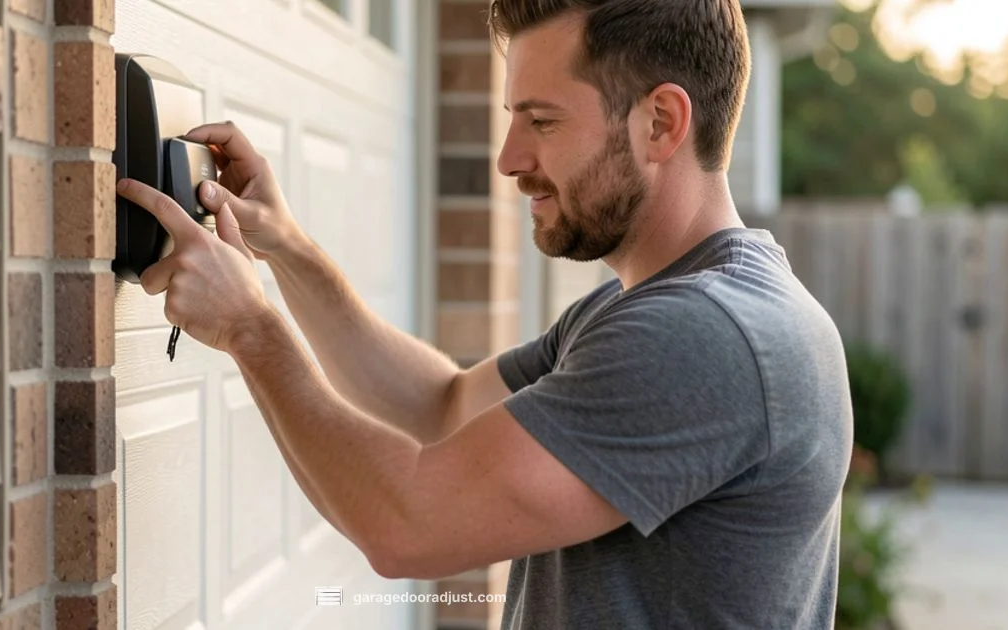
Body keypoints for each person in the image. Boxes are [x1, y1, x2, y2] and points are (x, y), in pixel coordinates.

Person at [114, 0, 853, 627]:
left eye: (542, 121)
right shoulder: (657, 309)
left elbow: (408, 522)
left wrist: (251, 327)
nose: (507, 157)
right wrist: (287, 249)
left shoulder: (705, 337)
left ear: (660, 123)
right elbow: (444, 405)